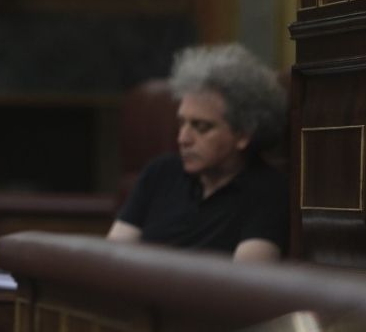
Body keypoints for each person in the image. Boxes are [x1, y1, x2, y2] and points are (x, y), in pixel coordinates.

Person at [107, 43, 289, 261]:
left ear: (243, 135)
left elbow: (247, 285)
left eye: (201, 127)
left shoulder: (268, 191)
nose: (183, 139)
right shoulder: (160, 173)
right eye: (181, 123)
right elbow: (112, 260)